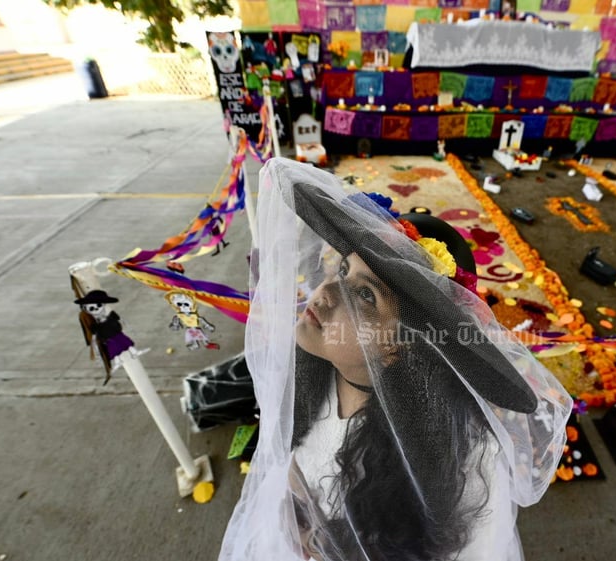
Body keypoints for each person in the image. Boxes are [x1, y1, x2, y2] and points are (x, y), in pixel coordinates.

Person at [219, 158, 572, 561]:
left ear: (398, 347)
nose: (325, 294)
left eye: (366, 296)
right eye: (344, 269)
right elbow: (296, 470)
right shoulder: (308, 379)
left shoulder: (465, 465)